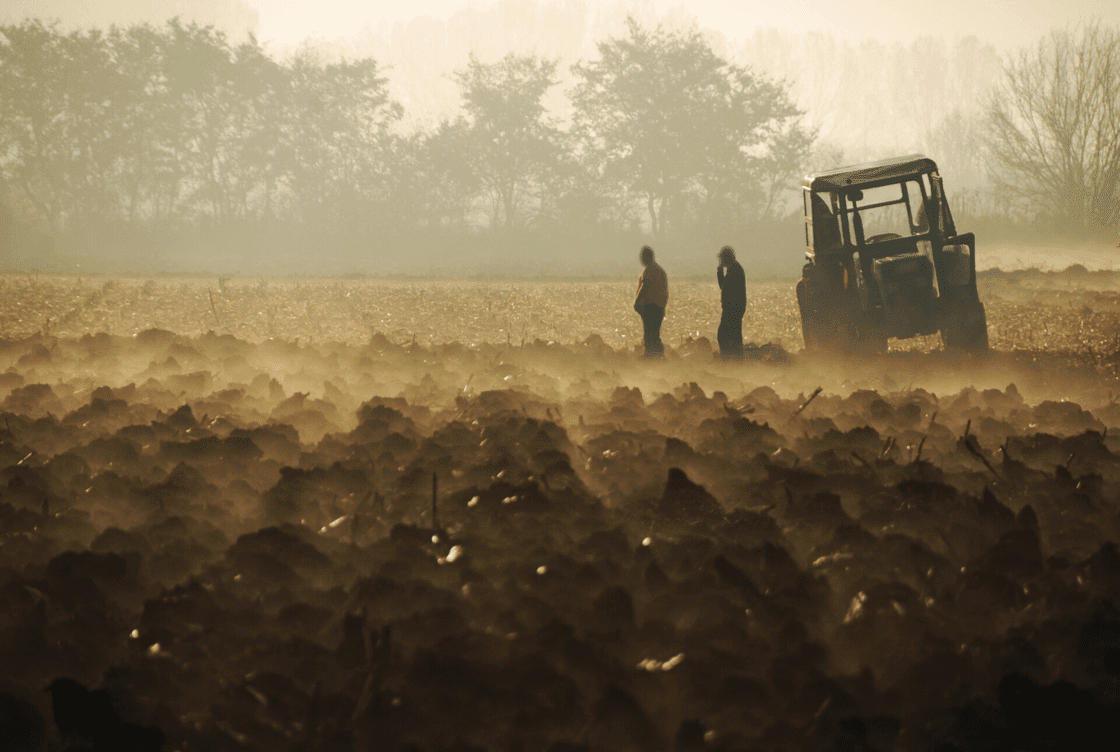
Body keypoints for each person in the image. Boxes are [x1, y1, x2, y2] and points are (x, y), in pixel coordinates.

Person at [633, 245, 668, 357]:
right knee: (654, 334)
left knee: (649, 334)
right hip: (660, 307)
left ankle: (650, 356)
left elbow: (646, 286)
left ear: (647, 257)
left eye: (642, 256)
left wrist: (637, 301)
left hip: (651, 307)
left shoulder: (649, 270)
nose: (641, 259)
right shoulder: (660, 271)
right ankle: (657, 356)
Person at [716, 245, 746, 360]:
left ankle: (729, 360)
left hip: (733, 309)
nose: (720, 261)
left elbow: (725, 288)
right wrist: (720, 272)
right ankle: (734, 359)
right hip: (733, 309)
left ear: (726, 258)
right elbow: (724, 287)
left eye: (722, 258)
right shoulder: (733, 269)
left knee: (723, 335)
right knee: (733, 336)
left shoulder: (735, 270)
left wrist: (720, 272)